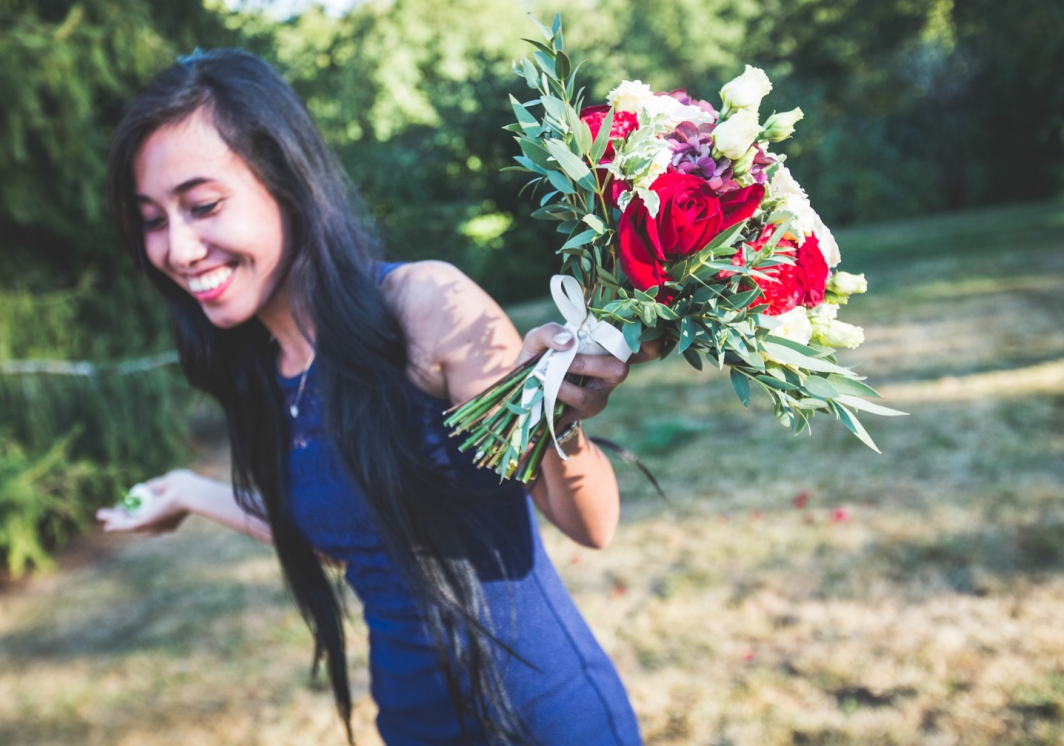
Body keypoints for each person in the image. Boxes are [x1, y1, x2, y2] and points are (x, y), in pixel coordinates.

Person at [96, 48, 651, 745]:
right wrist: (186, 490)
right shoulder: (258, 374)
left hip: (544, 719)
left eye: (202, 206)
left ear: (285, 181)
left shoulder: (425, 306)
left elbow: (590, 525)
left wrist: (559, 425)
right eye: (152, 219)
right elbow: (353, 538)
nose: (177, 248)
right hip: (411, 724)